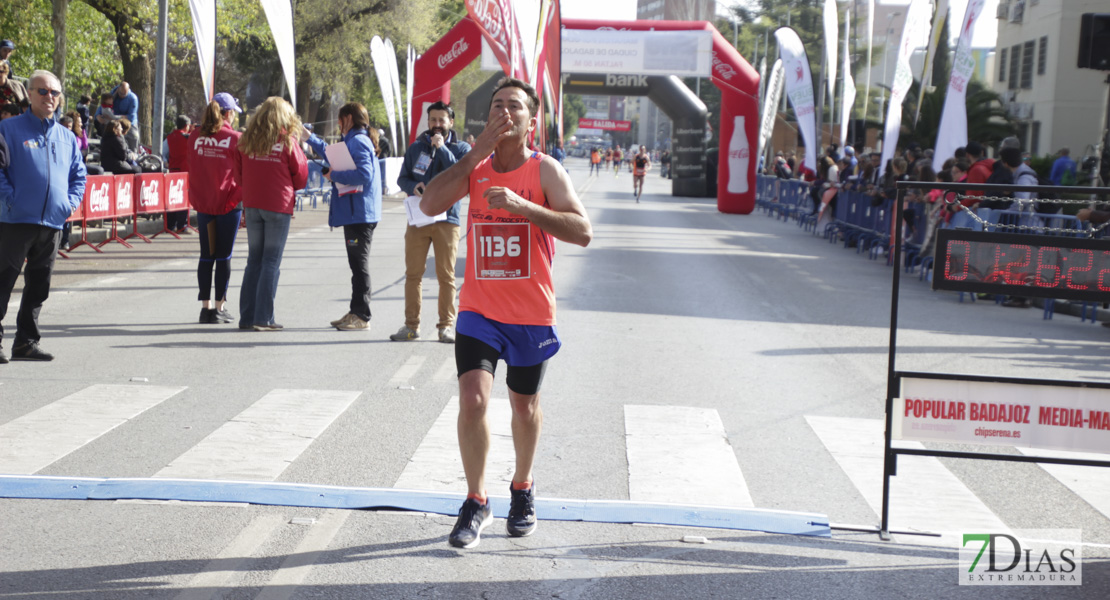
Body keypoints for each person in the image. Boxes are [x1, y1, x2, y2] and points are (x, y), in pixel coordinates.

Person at [420, 77, 592, 549]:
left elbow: (582, 231)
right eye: (497, 105)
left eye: (514, 106)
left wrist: (523, 206)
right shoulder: (474, 168)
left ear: (530, 122)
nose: (504, 113)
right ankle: (476, 500)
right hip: (479, 310)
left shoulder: (547, 171)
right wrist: (473, 154)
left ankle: (522, 487)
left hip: (530, 313)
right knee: (473, 401)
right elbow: (429, 202)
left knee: (524, 406)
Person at [0, 70, 87, 362]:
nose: (49, 97)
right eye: (42, 91)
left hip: (52, 223)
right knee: (2, 282)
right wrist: (9, 200)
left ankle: (25, 342)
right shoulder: (8, 130)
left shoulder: (67, 137)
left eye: (54, 92)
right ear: (29, 94)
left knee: (39, 285)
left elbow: (79, 176)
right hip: (14, 221)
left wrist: (67, 205)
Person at [392, 101, 470, 343]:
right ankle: (410, 325)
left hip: (448, 219)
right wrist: (411, 186)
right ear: (428, 122)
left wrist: (443, 148)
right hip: (419, 218)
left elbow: (461, 174)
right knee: (413, 274)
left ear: (451, 122)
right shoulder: (416, 147)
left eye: (442, 120)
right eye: (433, 120)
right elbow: (402, 177)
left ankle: (446, 326)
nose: (437, 125)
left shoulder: (461, 147)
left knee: (446, 275)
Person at [305, 102, 381, 331]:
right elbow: (331, 152)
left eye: (340, 119)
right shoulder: (355, 139)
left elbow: (364, 175)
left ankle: (362, 315)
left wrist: (334, 175)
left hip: (359, 213)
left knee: (359, 266)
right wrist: (309, 137)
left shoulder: (357, 141)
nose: (338, 124)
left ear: (348, 118)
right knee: (356, 265)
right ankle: (355, 310)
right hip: (357, 212)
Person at [236, 97, 308, 332]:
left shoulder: (247, 140)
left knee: (254, 260)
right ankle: (264, 318)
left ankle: (247, 316)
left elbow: (238, 172)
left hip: (253, 203)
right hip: (278, 204)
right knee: (270, 261)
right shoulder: (287, 141)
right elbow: (301, 176)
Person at [187, 92, 243, 326]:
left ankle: (205, 308)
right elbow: (242, 174)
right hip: (228, 204)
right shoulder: (235, 138)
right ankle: (220, 306)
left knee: (206, 256)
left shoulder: (194, 137)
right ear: (229, 113)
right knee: (224, 256)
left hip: (204, 204)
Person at [165, 115, 193, 232]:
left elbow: (164, 152)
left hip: (173, 170)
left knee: (172, 198)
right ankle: (182, 225)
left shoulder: (170, 137)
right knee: (183, 198)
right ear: (187, 126)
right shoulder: (187, 137)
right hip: (184, 171)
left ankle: (170, 225)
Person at [112, 82, 140, 151]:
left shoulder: (133, 98)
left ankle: (133, 154)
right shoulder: (114, 92)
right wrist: (114, 95)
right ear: (118, 89)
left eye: (124, 94)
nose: (122, 96)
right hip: (115, 121)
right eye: (121, 94)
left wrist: (116, 117)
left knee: (134, 136)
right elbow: (105, 104)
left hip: (129, 123)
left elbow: (131, 117)